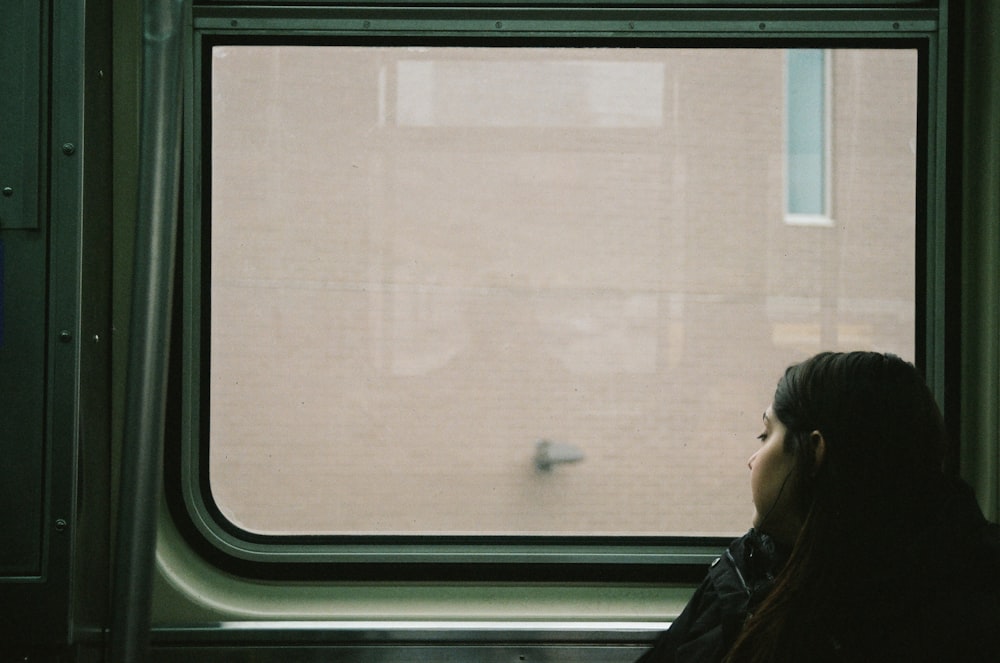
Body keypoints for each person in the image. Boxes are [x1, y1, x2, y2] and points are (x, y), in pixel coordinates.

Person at [638, 351, 1000, 662]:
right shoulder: (747, 569)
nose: (752, 459)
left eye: (765, 435)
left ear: (814, 452)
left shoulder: (946, 615)